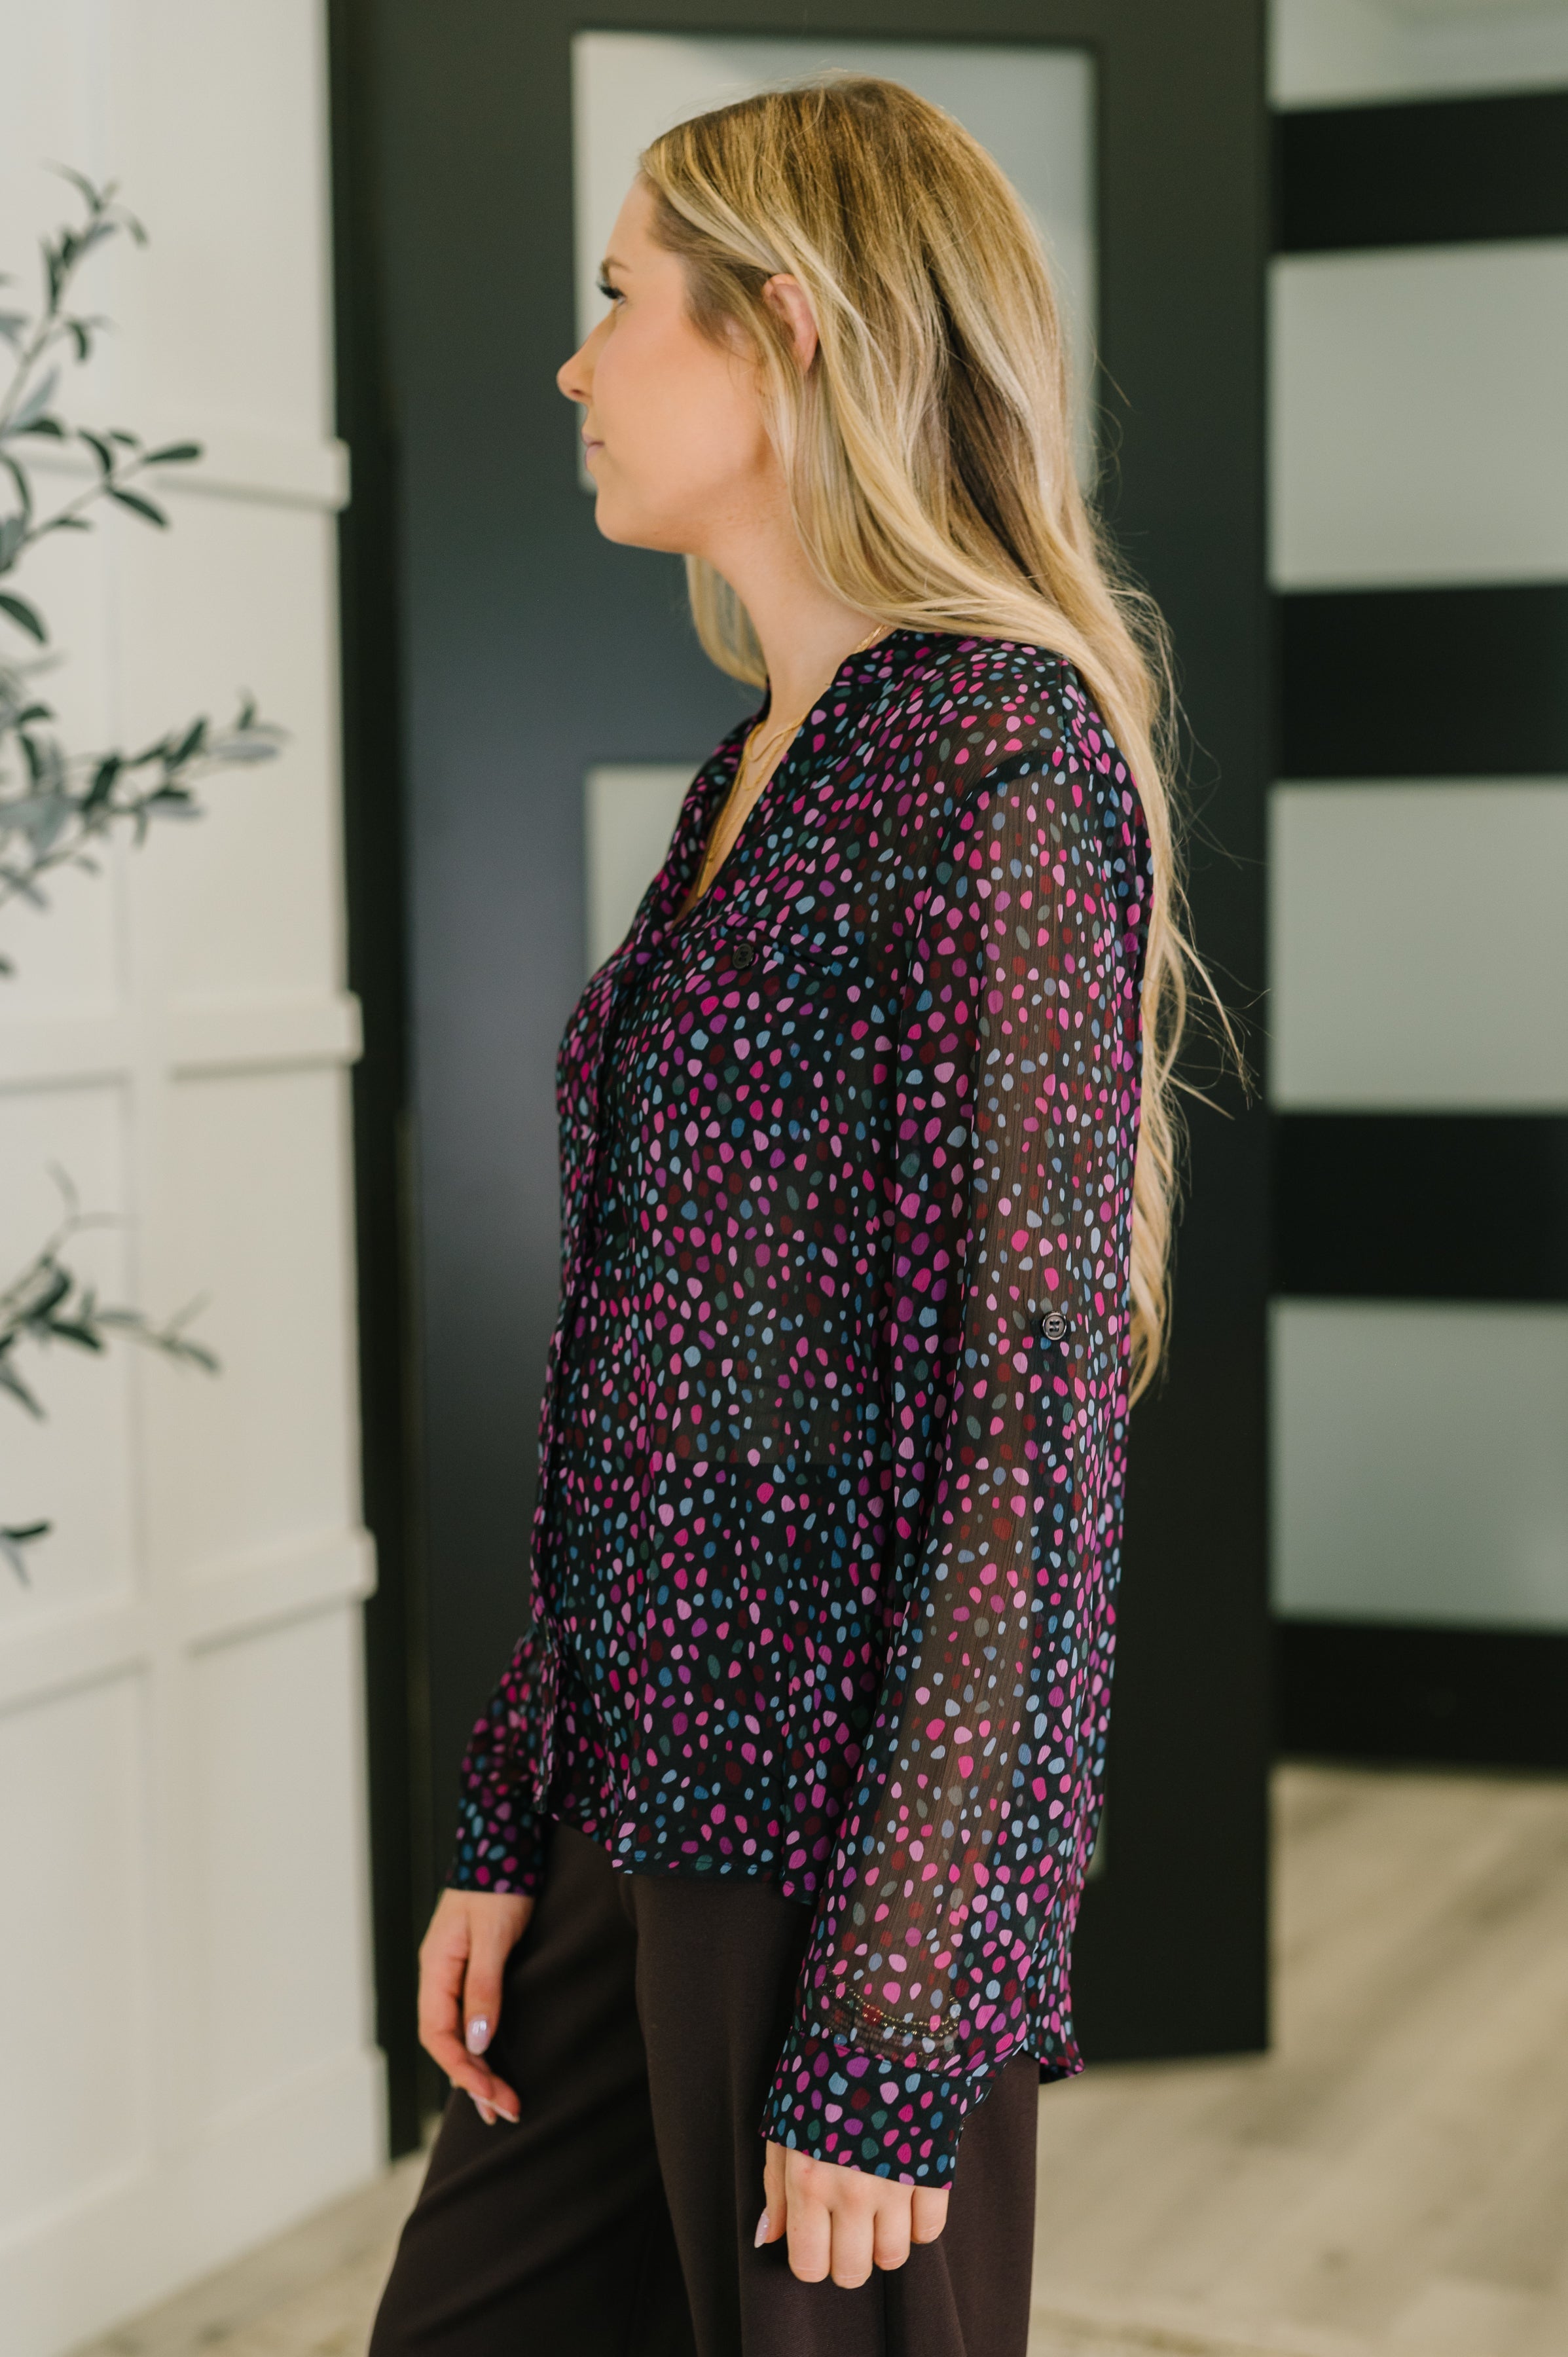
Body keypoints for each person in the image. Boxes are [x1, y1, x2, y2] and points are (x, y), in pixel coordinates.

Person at [370, 73, 1198, 2357]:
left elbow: (1025, 1449)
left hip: (837, 1881)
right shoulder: (769, 761)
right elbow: (647, 1376)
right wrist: (512, 1820)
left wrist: (900, 2013)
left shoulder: (1001, 766)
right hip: (628, 1815)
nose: (575, 364)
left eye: (618, 298)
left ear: (791, 328)